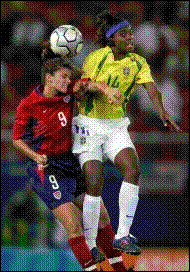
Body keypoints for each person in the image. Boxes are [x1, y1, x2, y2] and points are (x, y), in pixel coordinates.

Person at [12, 42, 131, 271]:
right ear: (49, 78)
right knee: (75, 226)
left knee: (102, 217)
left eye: (69, 78)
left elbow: (88, 83)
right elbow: (16, 139)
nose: (68, 81)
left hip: (70, 162)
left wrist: (106, 90)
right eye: (64, 77)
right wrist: (35, 155)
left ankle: (120, 269)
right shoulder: (28, 105)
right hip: (47, 169)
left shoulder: (67, 92)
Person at [72, 10, 182, 256]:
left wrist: (162, 111)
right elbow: (83, 86)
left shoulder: (138, 62)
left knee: (133, 168)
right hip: (89, 125)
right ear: (112, 39)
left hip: (116, 126)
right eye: (124, 34)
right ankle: (90, 244)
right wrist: (101, 91)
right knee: (94, 181)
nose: (130, 38)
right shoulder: (96, 57)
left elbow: (152, 89)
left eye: (131, 33)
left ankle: (122, 235)